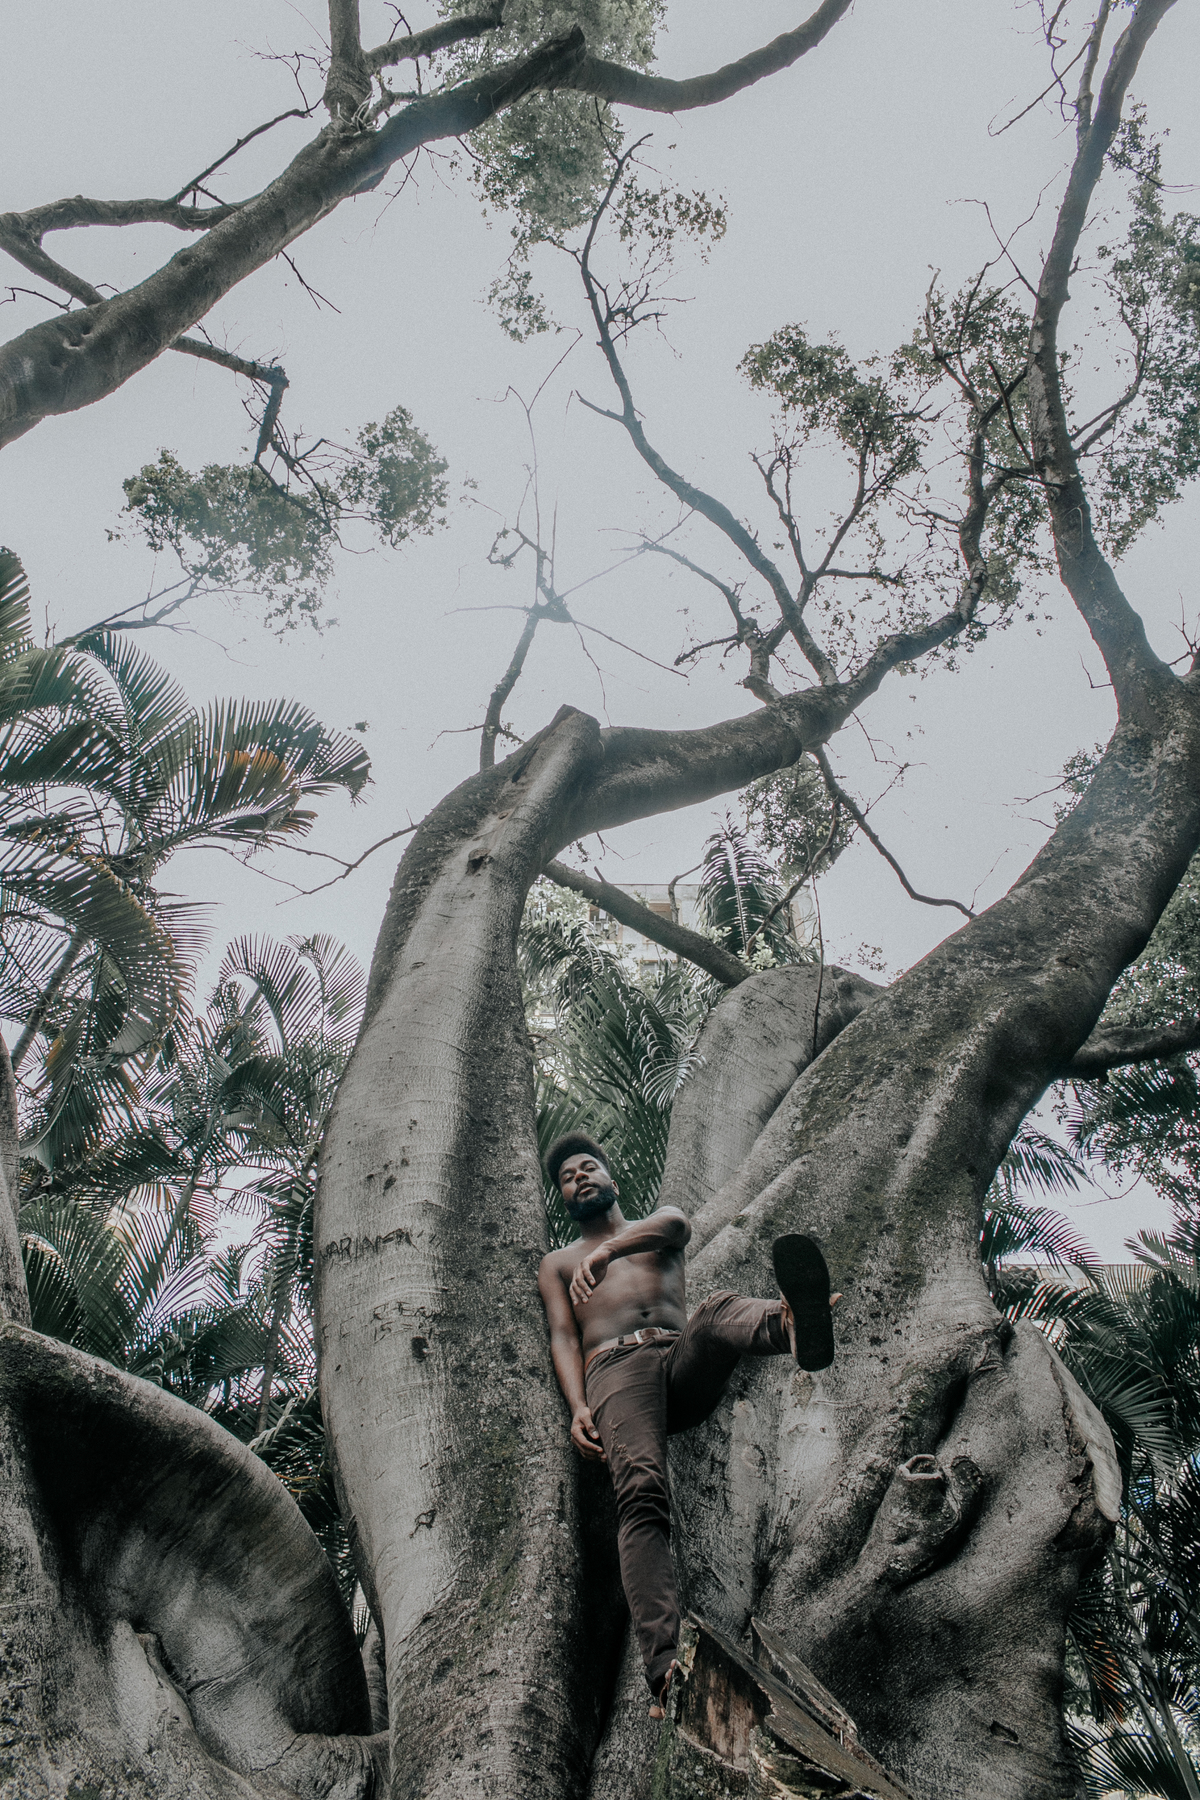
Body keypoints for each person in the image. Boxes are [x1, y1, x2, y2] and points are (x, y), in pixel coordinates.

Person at [537, 1129, 838, 1718]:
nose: (577, 1178)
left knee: (718, 1311)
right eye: (567, 1178)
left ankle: (792, 1328)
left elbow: (677, 1226)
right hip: (614, 1373)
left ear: (609, 1178)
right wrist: (576, 1405)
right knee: (642, 1493)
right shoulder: (558, 1263)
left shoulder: (657, 1225)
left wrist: (608, 1253)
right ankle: (666, 1667)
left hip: (679, 1360)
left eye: (586, 1168)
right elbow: (563, 1336)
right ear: (564, 1201)